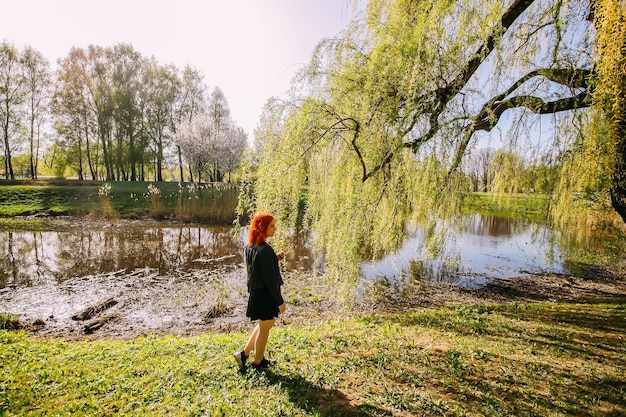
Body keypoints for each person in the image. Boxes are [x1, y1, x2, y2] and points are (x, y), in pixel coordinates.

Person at [233, 212, 286, 371]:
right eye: (272, 226)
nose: (275, 229)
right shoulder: (266, 250)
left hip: (256, 292)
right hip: (265, 295)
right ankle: (258, 362)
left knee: (264, 325)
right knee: (265, 327)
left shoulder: (251, 247)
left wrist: (274, 258)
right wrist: (280, 302)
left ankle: (244, 354)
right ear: (263, 228)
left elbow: (258, 266)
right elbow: (270, 280)